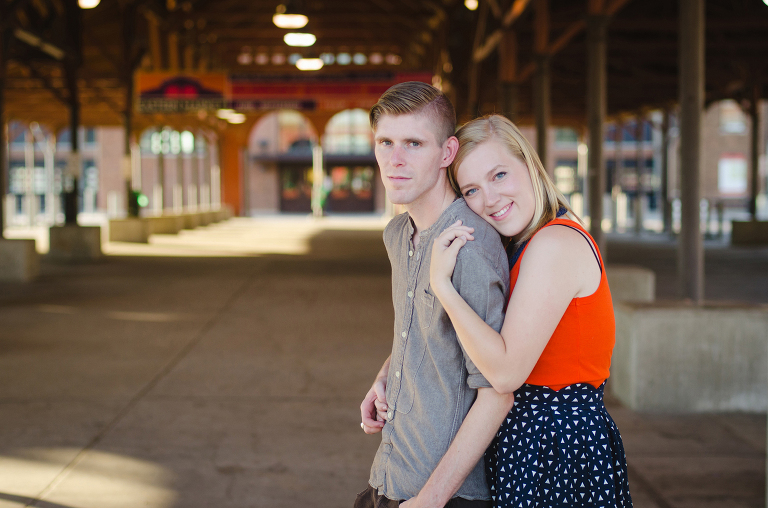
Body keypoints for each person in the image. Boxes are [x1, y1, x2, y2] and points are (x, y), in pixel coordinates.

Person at [430, 115, 632, 507]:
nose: (489, 199)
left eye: (499, 174)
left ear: (529, 164)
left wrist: (441, 286)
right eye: (471, 189)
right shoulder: (523, 243)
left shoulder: (555, 243)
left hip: (558, 450)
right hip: (531, 444)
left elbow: (505, 373)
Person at [356, 83, 515, 508]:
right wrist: (387, 374)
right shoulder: (397, 234)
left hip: (444, 493)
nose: (395, 159)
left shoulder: (470, 247)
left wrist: (431, 499)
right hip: (391, 472)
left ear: (447, 153)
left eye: (413, 143)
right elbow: (423, 331)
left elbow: (496, 391)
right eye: (385, 143)